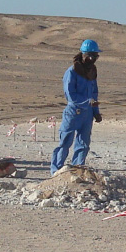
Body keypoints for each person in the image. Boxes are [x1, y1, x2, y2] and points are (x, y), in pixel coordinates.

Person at [50, 39, 103, 174]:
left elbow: (94, 93)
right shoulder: (72, 72)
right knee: (65, 142)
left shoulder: (92, 72)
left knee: (83, 144)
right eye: (91, 56)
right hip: (74, 112)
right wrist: (87, 102)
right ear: (84, 54)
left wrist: (96, 111)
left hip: (88, 114)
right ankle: (56, 171)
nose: (93, 59)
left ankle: (77, 170)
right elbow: (70, 95)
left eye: (96, 56)